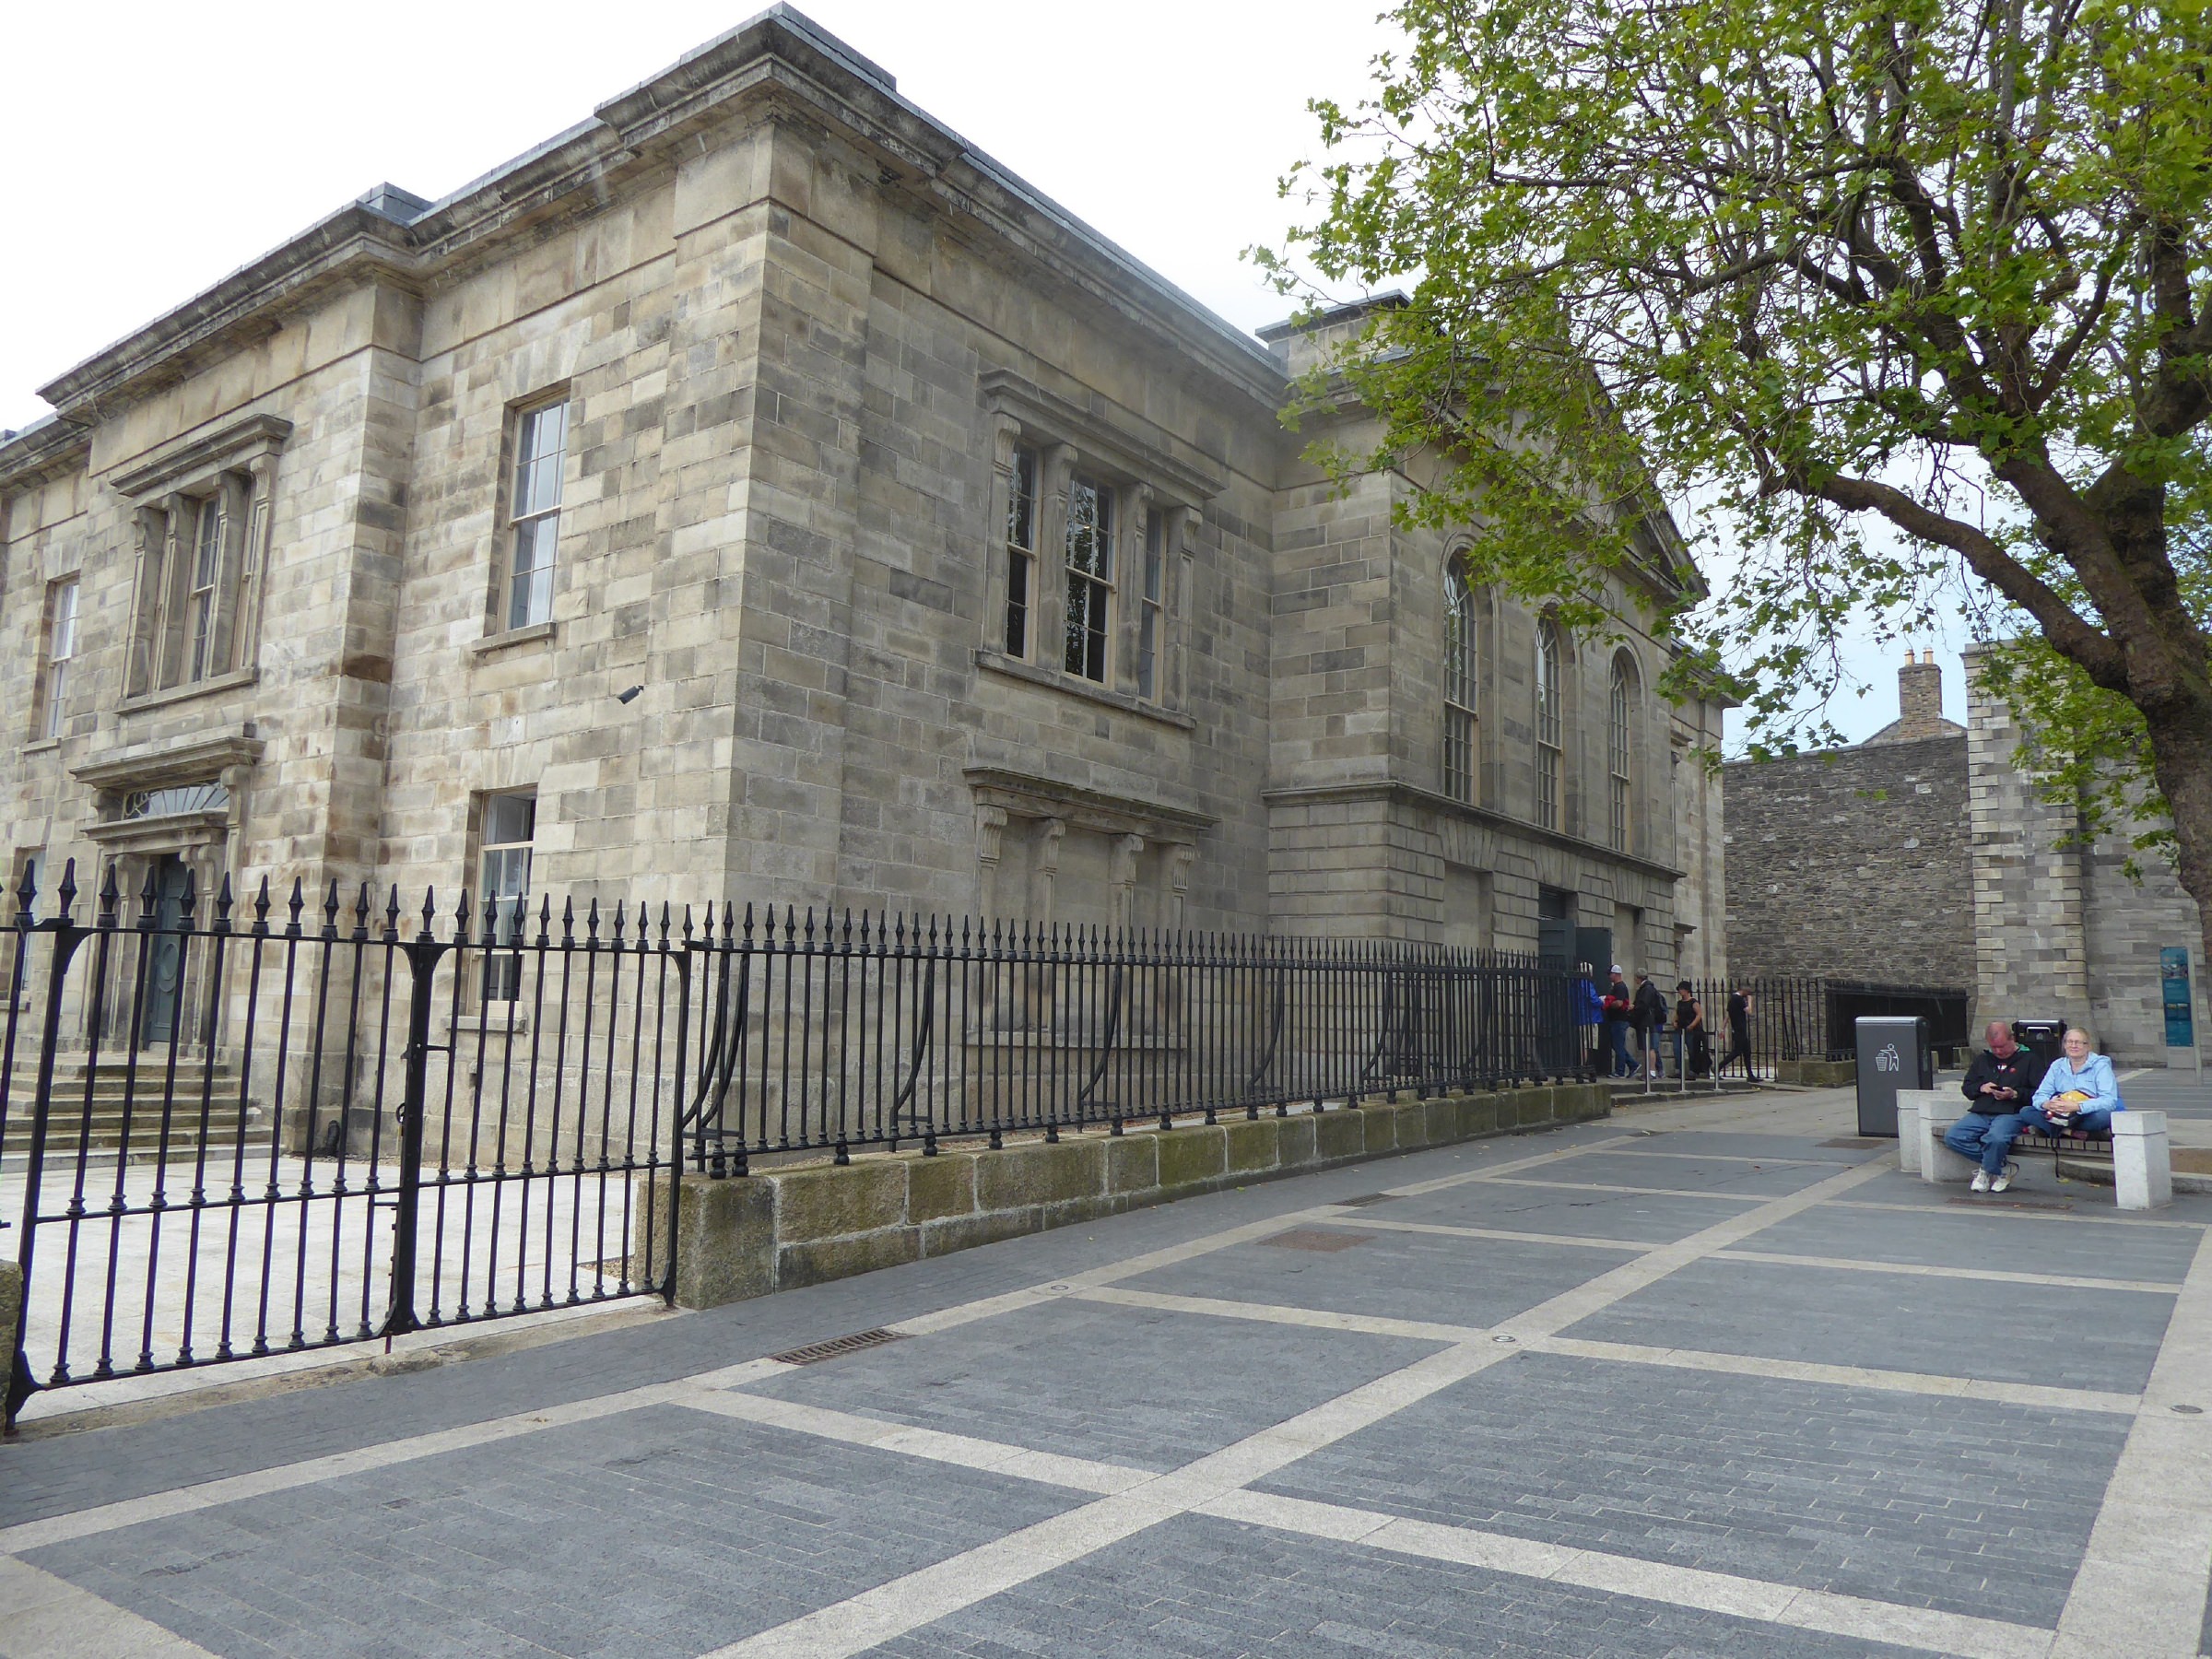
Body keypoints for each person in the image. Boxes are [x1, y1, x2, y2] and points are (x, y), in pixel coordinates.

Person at [1944, 1019, 2046, 1194]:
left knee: (1995, 1139)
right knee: (1953, 1137)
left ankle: (1986, 1170)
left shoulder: (2030, 1060)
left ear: (2012, 1039)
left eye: (2002, 1047)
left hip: (2011, 1112)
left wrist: (2014, 1094)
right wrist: (1981, 1088)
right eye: (1994, 1048)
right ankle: (2002, 1167)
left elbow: (2040, 1093)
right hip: (1982, 1111)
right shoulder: (1983, 1059)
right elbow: (1968, 1088)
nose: (1998, 1052)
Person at [2018, 1026, 2124, 1143]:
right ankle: (2072, 1133)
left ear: (2087, 1046)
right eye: (2070, 1042)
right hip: (2060, 1113)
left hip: (2087, 1113)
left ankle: (2054, 1130)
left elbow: (2109, 1101)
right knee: (2026, 1112)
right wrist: (2047, 1104)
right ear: (2064, 1045)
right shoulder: (2057, 1065)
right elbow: (2040, 1095)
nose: (2073, 1046)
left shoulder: (2101, 1066)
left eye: (2078, 1042)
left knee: (2104, 1116)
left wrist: (2078, 1106)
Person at [1631, 971, 1669, 1078]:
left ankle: (1651, 1072)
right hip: (1647, 1021)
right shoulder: (1648, 988)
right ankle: (1648, 1071)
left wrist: (1634, 1009)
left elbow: (1643, 1005)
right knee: (1646, 1047)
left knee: (1649, 1047)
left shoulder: (1647, 989)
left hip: (1646, 1022)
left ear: (1638, 978)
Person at [1601, 967, 1634, 1078]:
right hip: (1617, 1020)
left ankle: (1620, 1071)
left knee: (1618, 1045)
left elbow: (1619, 1003)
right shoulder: (1617, 987)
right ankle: (1633, 1064)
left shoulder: (1619, 987)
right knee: (1617, 1045)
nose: (1609, 976)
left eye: (1610, 974)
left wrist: (1607, 1002)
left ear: (1615, 974)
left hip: (1619, 1020)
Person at [1574, 965, 1606, 1076]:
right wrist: (1602, 1001)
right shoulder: (1587, 984)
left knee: (1583, 1044)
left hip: (1581, 1017)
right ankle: (1585, 1068)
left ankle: (1583, 1067)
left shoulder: (1576, 984)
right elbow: (1594, 1000)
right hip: (1591, 1018)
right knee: (1588, 1045)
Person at [1718, 984, 1754, 1079]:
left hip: (1736, 1029)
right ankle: (1718, 1067)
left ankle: (1750, 1075)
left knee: (1747, 1051)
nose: (1747, 995)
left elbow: (1727, 1016)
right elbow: (1749, 1011)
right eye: (1747, 993)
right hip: (1740, 1029)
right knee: (1736, 1051)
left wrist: (1722, 1029)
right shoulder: (1738, 999)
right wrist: (1750, 1001)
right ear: (1744, 991)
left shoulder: (1732, 999)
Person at [1675, 981, 1709, 1079]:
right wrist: (1675, 1021)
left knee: (1692, 1050)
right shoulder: (1680, 1003)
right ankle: (1678, 1070)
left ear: (1687, 990)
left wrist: (1692, 1025)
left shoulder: (1693, 1002)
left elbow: (1699, 1014)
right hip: (1680, 1028)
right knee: (1677, 1049)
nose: (1680, 991)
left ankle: (1692, 1070)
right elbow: (1677, 1013)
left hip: (1691, 1029)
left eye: (1681, 989)